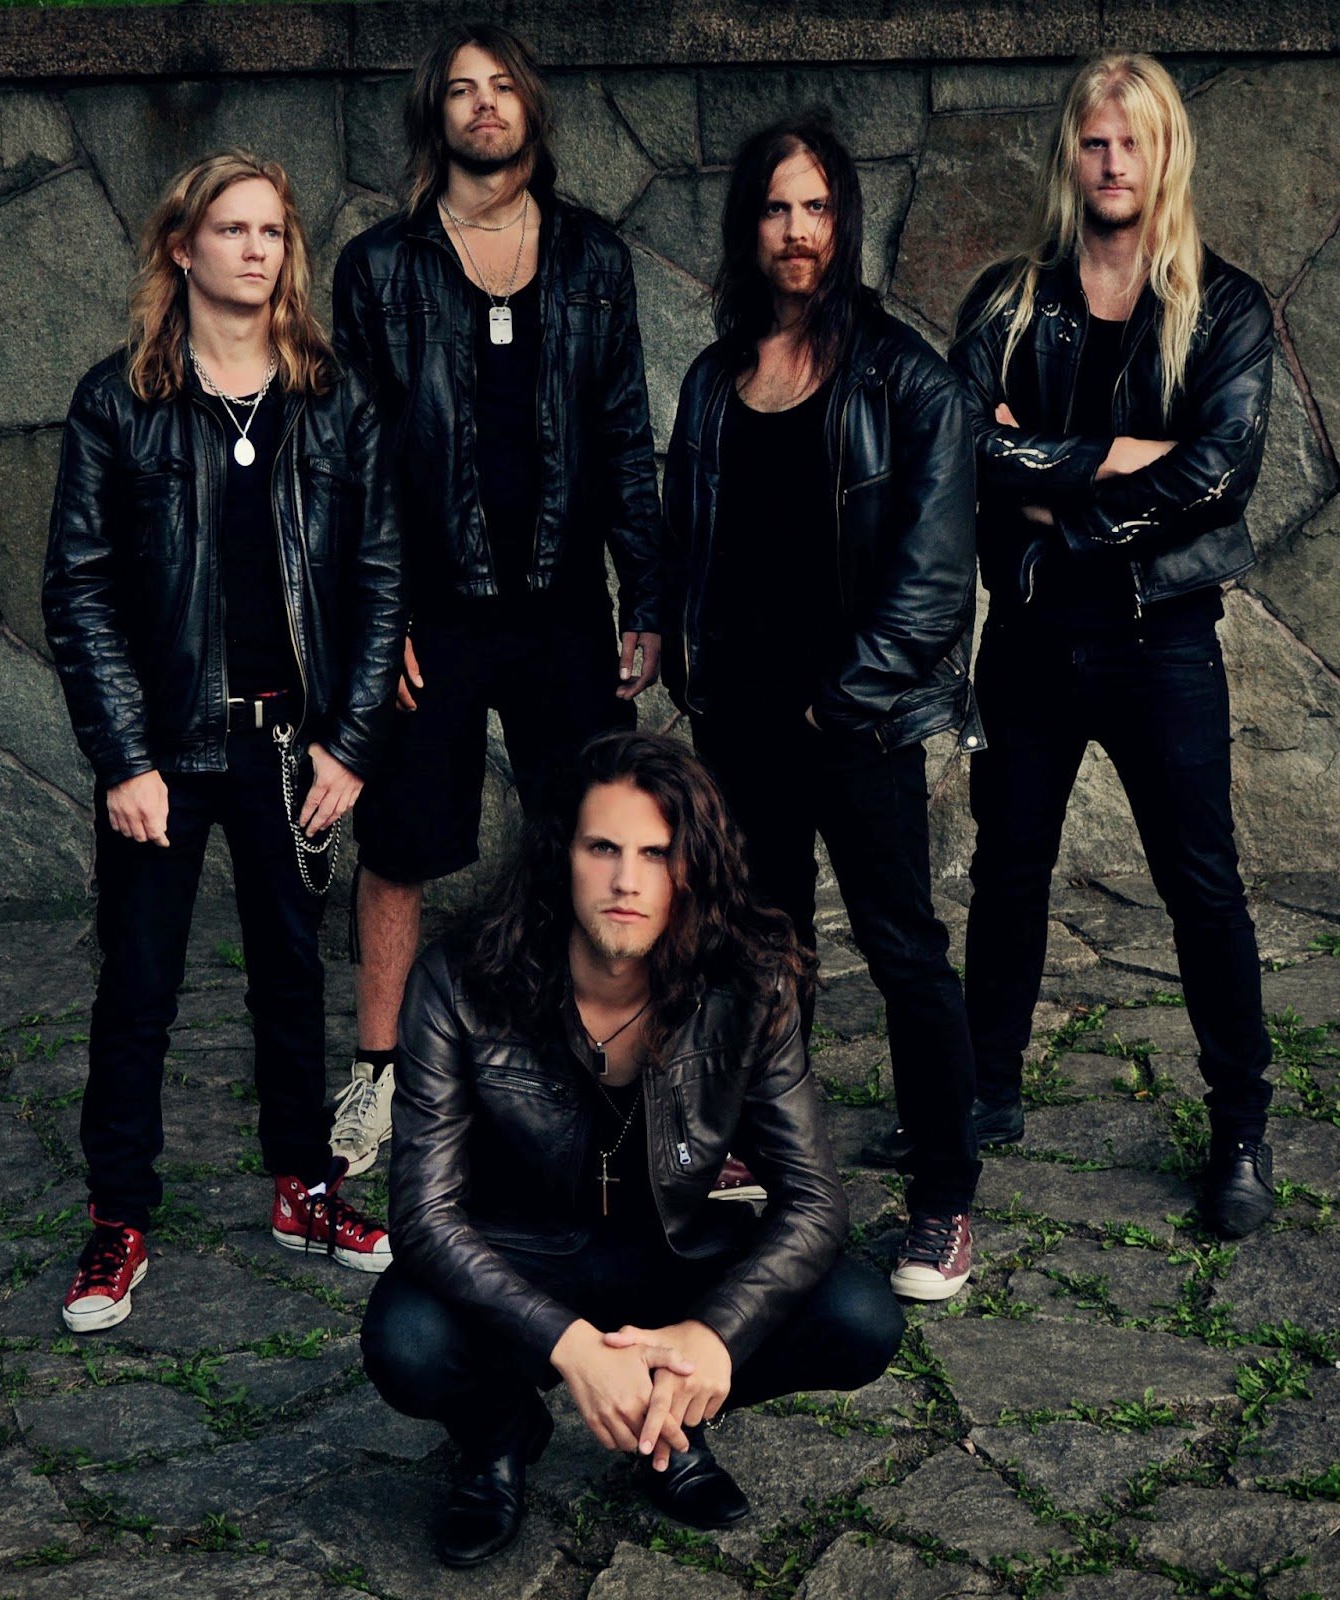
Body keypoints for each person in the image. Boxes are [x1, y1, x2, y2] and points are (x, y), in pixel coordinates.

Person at [359, 731, 903, 1567]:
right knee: (407, 1340)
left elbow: (813, 1200)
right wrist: (569, 1344)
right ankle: (499, 1433)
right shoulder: (459, 979)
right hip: (522, 1254)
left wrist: (713, 1334)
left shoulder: (750, 981)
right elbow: (423, 1214)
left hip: (675, 1251)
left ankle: (667, 1421)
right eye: (602, 848)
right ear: (560, 855)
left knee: (859, 1317)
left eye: (656, 853)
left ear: (692, 868)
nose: (626, 881)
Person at [44, 151, 403, 1332]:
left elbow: (379, 578)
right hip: (163, 752)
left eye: (272, 230)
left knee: (291, 978)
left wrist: (350, 743)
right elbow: (80, 588)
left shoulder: (331, 399)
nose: (256, 248)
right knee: (138, 986)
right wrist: (123, 758)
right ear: (181, 247)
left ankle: (304, 1186)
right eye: (232, 228)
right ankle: (118, 1217)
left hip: (290, 747)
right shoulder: (120, 400)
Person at [329, 21, 664, 1180]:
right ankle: (379, 1075)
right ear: (437, 116)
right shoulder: (381, 268)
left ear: (531, 108)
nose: (484, 104)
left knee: (593, 836)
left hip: (563, 606)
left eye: (502, 86)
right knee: (399, 843)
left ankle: (598, 1063)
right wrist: (377, 623)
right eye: (462, 90)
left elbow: (624, 434)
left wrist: (644, 592)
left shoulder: (591, 259)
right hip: (432, 614)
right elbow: (354, 463)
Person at [949, 52, 1275, 1237]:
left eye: (1132, 141)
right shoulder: (1007, 302)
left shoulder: (1225, 308)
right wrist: (1112, 459)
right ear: (1070, 155)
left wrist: (1054, 499)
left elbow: (1218, 474)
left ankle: (1241, 1130)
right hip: (1031, 639)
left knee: (1202, 886)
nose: (1112, 162)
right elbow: (960, 446)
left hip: (1161, 640)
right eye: (1094, 141)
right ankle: (984, 1094)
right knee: (1006, 872)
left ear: (1165, 153)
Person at [662, 112, 984, 1302]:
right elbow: (683, 537)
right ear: (747, 227)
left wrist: (833, 705)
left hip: (856, 725)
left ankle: (943, 1196)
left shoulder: (907, 380)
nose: (795, 231)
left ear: (842, 221)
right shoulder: (714, 380)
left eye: (814, 207)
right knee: (760, 950)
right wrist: (682, 657)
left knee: (903, 953)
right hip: (735, 722)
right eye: (773, 208)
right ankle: (767, 1152)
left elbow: (934, 583)